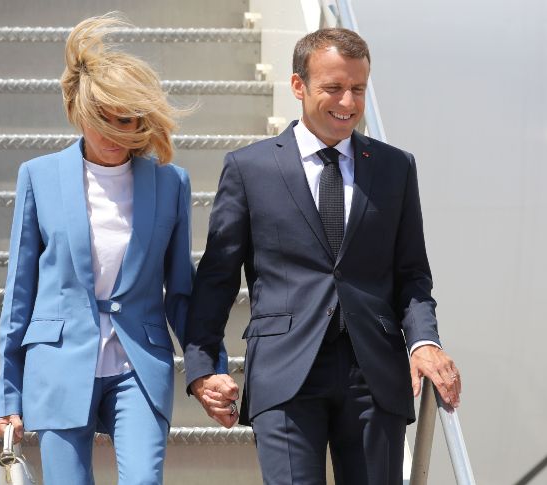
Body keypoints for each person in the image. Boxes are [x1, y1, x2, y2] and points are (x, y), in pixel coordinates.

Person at [184, 27, 462, 484]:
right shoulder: (249, 167)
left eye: (358, 89)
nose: (348, 103)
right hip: (284, 372)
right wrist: (200, 368)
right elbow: (217, 276)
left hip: (374, 375)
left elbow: (412, 274)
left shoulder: (396, 167)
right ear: (298, 86)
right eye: (333, 88)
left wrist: (424, 341)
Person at [0, 13, 222, 484]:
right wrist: (8, 394)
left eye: (130, 119)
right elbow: (20, 291)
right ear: (81, 111)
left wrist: (208, 368)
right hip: (57, 363)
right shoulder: (39, 176)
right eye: (106, 120)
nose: (119, 132)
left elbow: (181, 293)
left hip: (139, 362)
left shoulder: (169, 183)